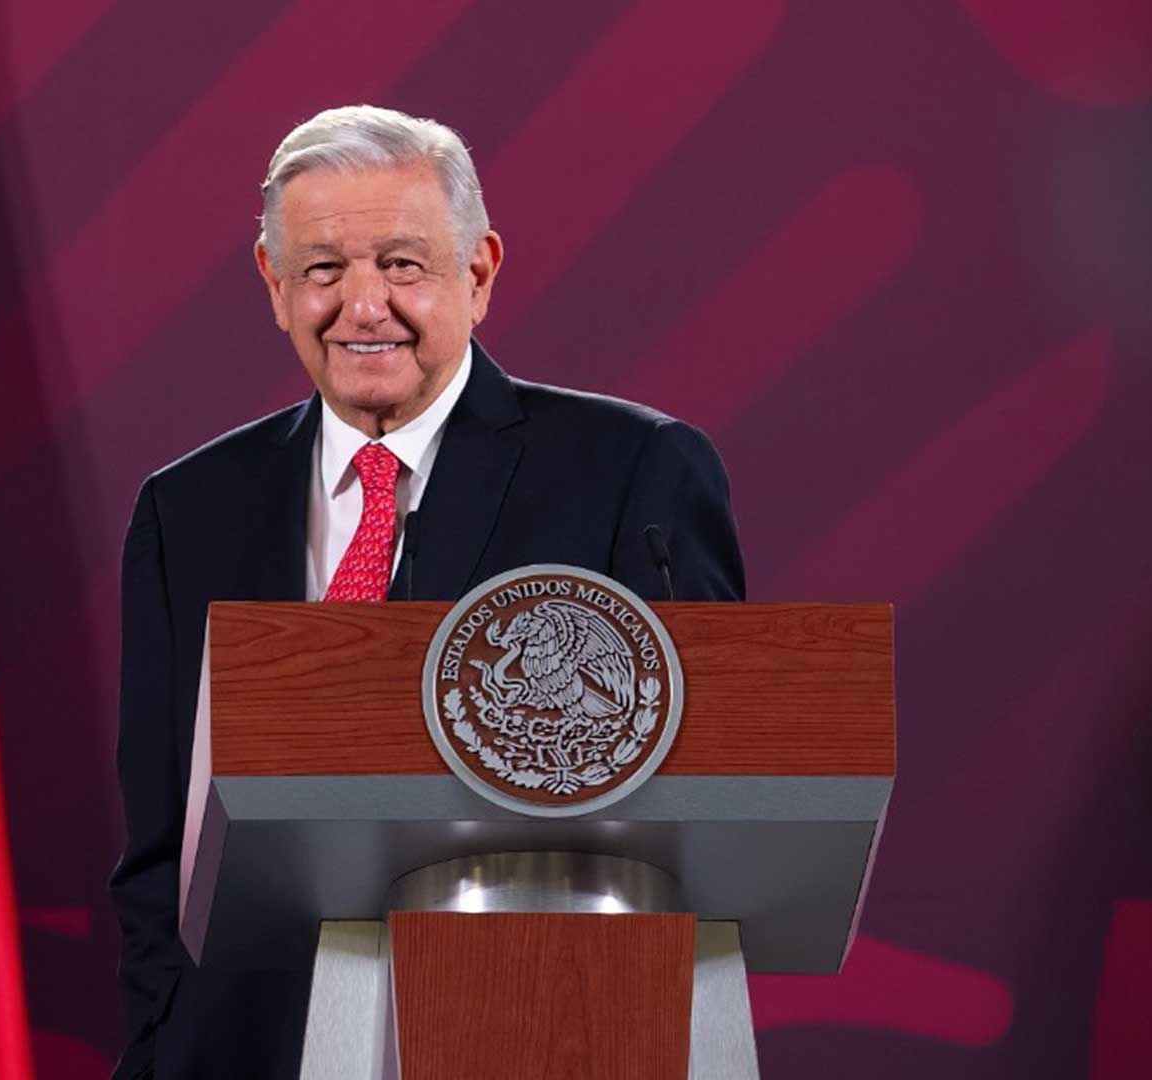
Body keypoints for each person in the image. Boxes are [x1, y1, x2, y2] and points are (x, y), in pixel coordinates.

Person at [108, 105, 745, 1078]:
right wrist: (165, 1037)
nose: (363, 307)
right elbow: (160, 848)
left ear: (479, 272)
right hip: (245, 1049)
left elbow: (715, 783)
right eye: (324, 269)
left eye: (402, 264)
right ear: (275, 285)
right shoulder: (188, 511)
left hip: (542, 1031)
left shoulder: (631, 472)